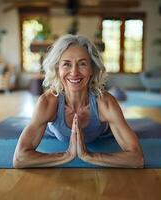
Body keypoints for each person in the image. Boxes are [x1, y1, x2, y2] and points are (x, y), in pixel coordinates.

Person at [13, 34, 144, 168]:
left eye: (82, 64)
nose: (74, 72)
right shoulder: (47, 102)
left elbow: (137, 159)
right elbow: (20, 158)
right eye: (67, 64)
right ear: (57, 69)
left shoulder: (105, 103)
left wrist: (89, 155)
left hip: (103, 135)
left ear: (92, 69)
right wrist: (67, 155)